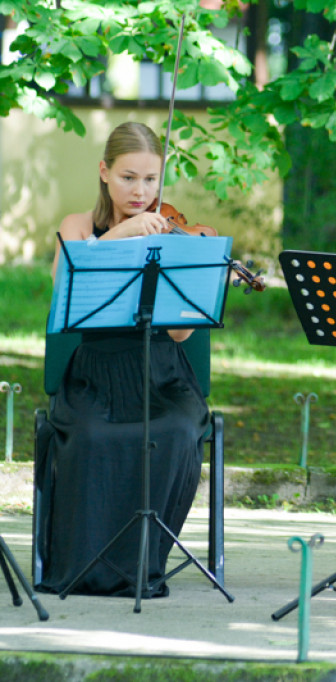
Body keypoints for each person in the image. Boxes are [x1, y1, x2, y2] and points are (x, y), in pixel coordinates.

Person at [37, 121, 209, 597]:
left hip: (162, 373)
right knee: (90, 435)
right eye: (129, 177)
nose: (141, 191)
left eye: (151, 179)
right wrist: (121, 235)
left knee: (176, 431)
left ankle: (141, 564)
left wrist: (190, 278)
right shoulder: (77, 226)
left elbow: (179, 333)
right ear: (104, 172)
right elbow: (64, 287)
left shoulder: (173, 230)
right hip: (95, 372)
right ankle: (86, 566)